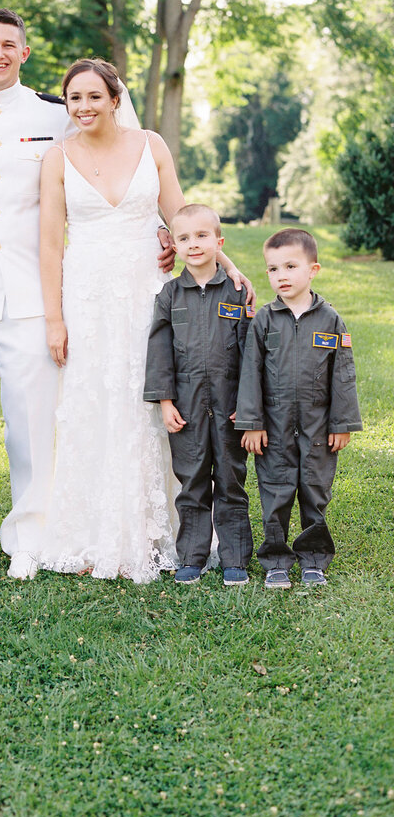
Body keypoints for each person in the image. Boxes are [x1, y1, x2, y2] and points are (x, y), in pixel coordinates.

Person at [0, 8, 168, 579]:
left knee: (33, 422)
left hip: (33, 293)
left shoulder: (55, 114)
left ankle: (29, 531)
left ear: (24, 53)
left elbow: (110, 169)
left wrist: (160, 236)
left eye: (10, 45)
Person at [37, 59, 251, 582]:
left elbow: (181, 220)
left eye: (93, 96)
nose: (83, 107)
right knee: (93, 401)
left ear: (115, 98)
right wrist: (54, 319)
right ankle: (93, 531)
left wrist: (227, 266)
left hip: (147, 292)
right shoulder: (56, 157)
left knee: (152, 394)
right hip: (87, 295)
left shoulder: (151, 145)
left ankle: (172, 529)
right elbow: (48, 242)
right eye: (73, 99)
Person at [235, 228, 362, 589]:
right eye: (273, 269)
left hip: (318, 426)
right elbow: (250, 373)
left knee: (314, 489)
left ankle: (313, 559)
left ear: (313, 270)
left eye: (291, 266)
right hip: (273, 426)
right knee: (275, 491)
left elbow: (343, 375)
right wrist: (251, 422)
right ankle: (275, 559)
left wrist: (342, 423)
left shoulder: (330, 320)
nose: (281, 276)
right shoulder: (263, 320)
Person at [143, 204, 253, 586]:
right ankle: (191, 554)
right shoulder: (169, 296)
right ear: (174, 244)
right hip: (186, 407)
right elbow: (159, 352)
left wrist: (248, 406)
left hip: (231, 408)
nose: (193, 244)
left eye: (202, 236)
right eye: (184, 238)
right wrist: (165, 401)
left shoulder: (238, 293)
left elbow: (252, 356)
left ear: (218, 242)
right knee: (190, 481)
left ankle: (235, 556)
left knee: (230, 480)